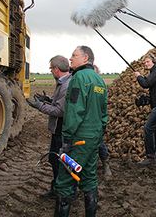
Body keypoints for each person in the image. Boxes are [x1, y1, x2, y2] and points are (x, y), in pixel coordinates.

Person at [53, 46, 108, 217]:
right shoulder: (99, 80)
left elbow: (74, 111)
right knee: (89, 176)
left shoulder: (79, 78)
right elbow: (104, 112)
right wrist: (99, 133)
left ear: (85, 58)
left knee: (65, 180)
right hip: (94, 137)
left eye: (74, 55)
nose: (70, 59)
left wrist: (67, 139)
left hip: (79, 138)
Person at [26, 55, 72, 198]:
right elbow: (60, 103)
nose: (51, 71)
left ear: (56, 69)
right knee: (54, 160)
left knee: (61, 163)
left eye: (51, 68)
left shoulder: (66, 85)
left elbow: (60, 111)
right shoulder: (63, 82)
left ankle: (66, 192)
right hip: (57, 131)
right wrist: (48, 99)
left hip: (61, 131)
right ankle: (56, 189)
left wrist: (40, 107)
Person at [133, 54, 156, 167]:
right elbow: (154, 87)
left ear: (154, 61)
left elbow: (146, 84)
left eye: (148, 62)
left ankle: (150, 157)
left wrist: (139, 76)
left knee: (148, 128)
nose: (146, 64)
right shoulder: (155, 72)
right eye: (145, 63)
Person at [93, 64, 112, 176]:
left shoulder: (100, 85)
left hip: (96, 118)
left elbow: (103, 105)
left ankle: (106, 163)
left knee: (99, 141)